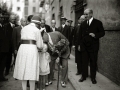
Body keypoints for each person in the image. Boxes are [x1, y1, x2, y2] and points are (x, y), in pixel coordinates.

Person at [13, 15, 43, 90]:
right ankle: (32, 89)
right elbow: (40, 45)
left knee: (24, 69)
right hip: (31, 49)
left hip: (22, 49)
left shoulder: (24, 28)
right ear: (38, 24)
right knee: (31, 70)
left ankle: (24, 88)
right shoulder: (37, 30)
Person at [78, 8, 105, 84]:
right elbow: (80, 35)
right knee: (84, 62)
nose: (85, 16)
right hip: (84, 47)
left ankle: (93, 77)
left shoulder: (98, 23)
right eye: (84, 14)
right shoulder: (83, 24)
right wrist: (79, 45)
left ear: (91, 14)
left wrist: (95, 35)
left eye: (86, 14)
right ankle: (84, 76)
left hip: (93, 47)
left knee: (93, 62)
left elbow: (103, 33)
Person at [0, 14, 8, 81]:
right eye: (1, 18)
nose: (2, 19)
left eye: (2, 17)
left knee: (2, 65)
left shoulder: (3, 26)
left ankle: (1, 77)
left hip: (3, 49)